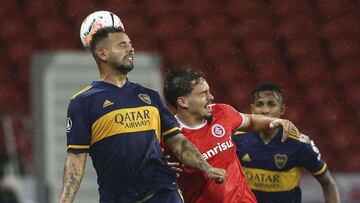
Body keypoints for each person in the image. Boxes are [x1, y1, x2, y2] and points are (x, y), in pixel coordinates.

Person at [59, 25, 228, 203]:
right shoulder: (83, 102)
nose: (130, 48)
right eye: (122, 45)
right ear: (102, 54)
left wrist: (207, 168)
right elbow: (76, 158)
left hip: (164, 194)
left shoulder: (150, 97)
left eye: (130, 44)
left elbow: (179, 143)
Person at [162, 68, 300, 203]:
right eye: (204, 93)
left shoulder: (222, 112)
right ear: (183, 102)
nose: (211, 97)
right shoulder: (170, 135)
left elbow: (251, 121)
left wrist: (276, 121)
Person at [232, 82, 340, 203]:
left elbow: (329, 184)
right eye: (259, 104)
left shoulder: (299, 144)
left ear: (282, 109)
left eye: (271, 104)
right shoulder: (237, 139)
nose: (265, 110)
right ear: (252, 109)